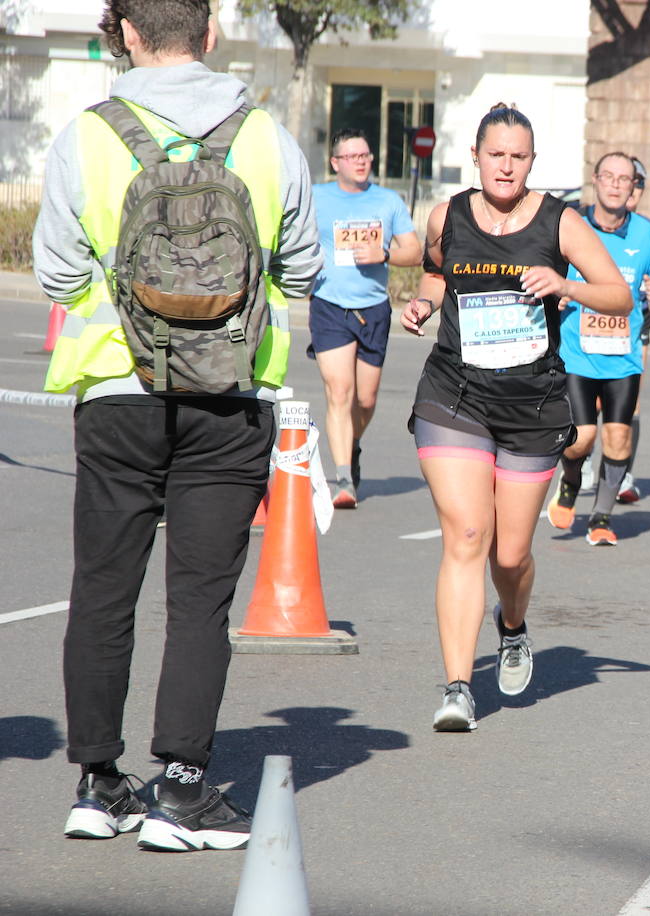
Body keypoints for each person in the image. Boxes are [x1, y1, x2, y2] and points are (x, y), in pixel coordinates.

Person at [34, 0, 321, 851]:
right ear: (210, 32)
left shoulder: (85, 134)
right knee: (199, 599)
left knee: (103, 587)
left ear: (125, 32)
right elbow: (303, 268)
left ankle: (96, 782)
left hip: (116, 389)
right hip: (229, 393)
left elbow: (55, 274)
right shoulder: (266, 137)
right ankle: (184, 789)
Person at [400, 105, 631, 730]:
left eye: (519, 156)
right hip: (454, 394)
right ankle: (456, 688)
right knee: (468, 535)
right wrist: (423, 305)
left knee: (510, 555)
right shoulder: (447, 215)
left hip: (530, 405)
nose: (506, 166)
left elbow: (618, 293)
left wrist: (566, 285)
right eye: (496, 154)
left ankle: (512, 625)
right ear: (476, 156)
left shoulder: (562, 220)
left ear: (532, 162)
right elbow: (435, 274)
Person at [548, 151, 650, 544]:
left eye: (625, 179)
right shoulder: (573, 228)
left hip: (623, 355)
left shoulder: (648, 235)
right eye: (609, 177)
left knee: (619, 438)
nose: (616, 185)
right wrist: (558, 296)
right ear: (596, 181)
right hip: (577, 353)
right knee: (582, 438)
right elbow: (547, 276)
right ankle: (569, 483)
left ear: (634, 187)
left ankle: (601, 517)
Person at [310, 127, 421, 508]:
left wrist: (384, 255)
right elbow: (292, 235)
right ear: (335, 162)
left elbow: (414, 251)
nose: (361, 162)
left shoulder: (387, 201)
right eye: (353, 156)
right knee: (339, 392)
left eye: (366, 156)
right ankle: (343, 480)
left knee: (367, 399)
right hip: (328, 305)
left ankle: (352, 444)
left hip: (373, 308)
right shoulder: (316, 197)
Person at [614, 154, 650, 504]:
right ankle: (582, 461)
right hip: (588, 321)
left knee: (630, 400)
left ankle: (622, 471)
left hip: (633, 322)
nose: (632, 190)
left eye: (638, 184)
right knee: (586, 397)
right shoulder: (586, 221)